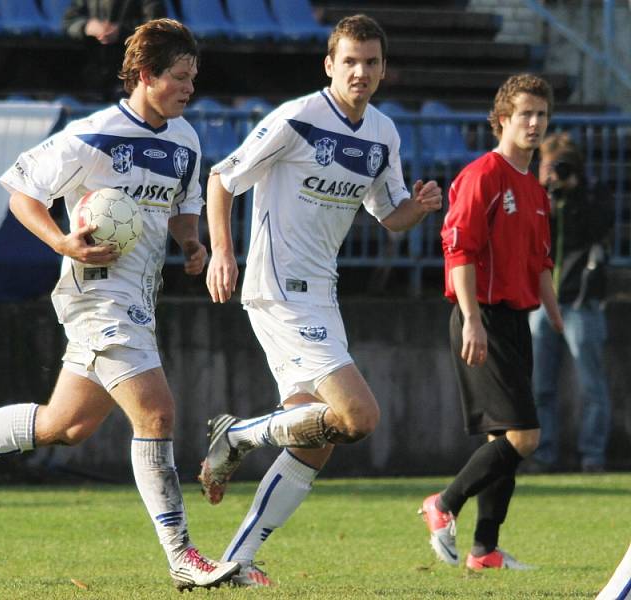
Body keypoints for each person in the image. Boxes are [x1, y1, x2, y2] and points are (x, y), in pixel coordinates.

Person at [0, 18, 239, 591]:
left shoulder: (184, 139)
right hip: (95, 292)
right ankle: (183, 556)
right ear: (145, 75)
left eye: (193, 78)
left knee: (66, 426)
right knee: (156, 413)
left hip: (139, 298)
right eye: (180, 77)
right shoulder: (94, 134)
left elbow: (181, 206)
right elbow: (21, 191)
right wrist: (61, 241)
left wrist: (191, 242)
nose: (189, 88)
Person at [199, 14, 442, 586]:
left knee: (318, 437)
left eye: (372, 62)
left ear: (384, 69)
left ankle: (238, 560)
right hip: (279, 288)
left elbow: (390, 215)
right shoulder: (297, 118)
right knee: (359, 416)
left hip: (321, 293)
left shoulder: (383, 133)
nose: (361, 72)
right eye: (350, 61)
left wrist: (421, 207)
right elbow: (221, 178)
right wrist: (221, 252)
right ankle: (236, 437)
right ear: (329, 65)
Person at [420, 73, 564, 571]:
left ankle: (485, 551)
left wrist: (555, 313)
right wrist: (473, 321)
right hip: (480, 315)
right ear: (502, 119)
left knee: (501, 437)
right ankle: (443, 504)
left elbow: (540, 261)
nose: (534, 122)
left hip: (514, 318)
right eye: (525, 113)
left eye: (541, 114)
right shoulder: (484, 174)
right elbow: (458, 249)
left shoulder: (535, 188)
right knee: (524, 436)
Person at [527, 132, 613, 473]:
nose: (555, 173)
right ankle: (544, 454)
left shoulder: (593, 193)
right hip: (540, 302)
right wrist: (546, 199)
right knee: (539, 386)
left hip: (581, 301)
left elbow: (598, 228)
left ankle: (592, 456)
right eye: (548, 167)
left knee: (592, 384)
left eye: (560, 167)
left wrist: (572, 194)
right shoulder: (536, 197)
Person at [63, 0, 165, 45]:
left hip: (132, 65)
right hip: (91, 65)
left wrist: (121, 32)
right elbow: (68, 21)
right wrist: (86, 27)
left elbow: (156, 25)